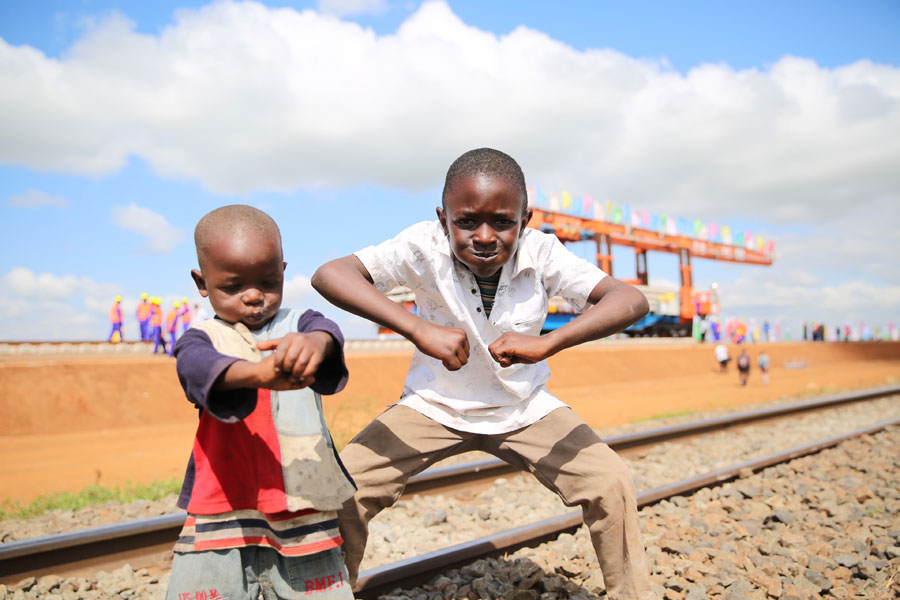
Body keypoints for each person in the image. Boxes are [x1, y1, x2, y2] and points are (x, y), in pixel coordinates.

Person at [312, 148, 654, 599]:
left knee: (610, 482)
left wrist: (549, 342)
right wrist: (417, 328)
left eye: (503, 222)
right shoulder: (422, 246)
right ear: (443, 218)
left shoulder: (544, 252)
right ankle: (329, 593)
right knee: (346, 489)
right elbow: (330, 274)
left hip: (524, 406)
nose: (485, 236)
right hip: (433, 404)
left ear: (525, 219)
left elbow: (629, 300)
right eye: (467, 221)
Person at [166, 205, 355, 600]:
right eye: (233, 286)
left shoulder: (301, 324)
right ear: (202, 282)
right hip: (221, 510)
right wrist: (258, 375)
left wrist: (314, 346)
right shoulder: (201, 338)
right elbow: (196, 368)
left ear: (283, 272)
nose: (254, 297)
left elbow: (327, 334)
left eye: (268, 282)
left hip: (305, 505)